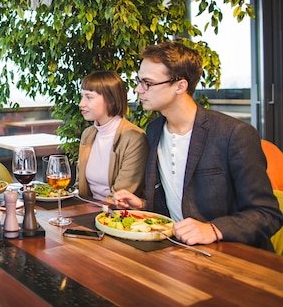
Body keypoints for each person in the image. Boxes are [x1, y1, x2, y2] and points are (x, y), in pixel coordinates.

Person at [113, 42, 283, 250]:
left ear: (180, 86)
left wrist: (213, 229)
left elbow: (267, 213)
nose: (138, 90)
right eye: (139, 81)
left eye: (147, 83)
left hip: (233, 257)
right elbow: (181, 200)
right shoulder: (155, 130)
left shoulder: (233, 134)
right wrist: (144, 206)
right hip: (179, 252)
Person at [76, 71, 148, 202]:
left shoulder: (134, 138)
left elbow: (121, 196)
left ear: (111, 100)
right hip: (87, 208)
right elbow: (80, 186)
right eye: (82, 97)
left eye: (89, 97)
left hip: (114, 215)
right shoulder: (88, 134)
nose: (81, 103)